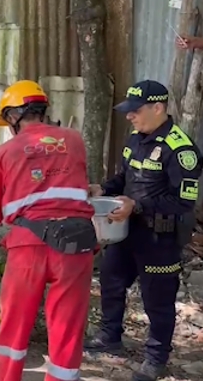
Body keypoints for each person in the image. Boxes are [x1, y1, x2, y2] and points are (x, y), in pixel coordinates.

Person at [0, 80, 97, 381]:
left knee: (14, 327)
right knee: (67, 332)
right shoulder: (75, 140)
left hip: (28, 247)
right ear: (42, 109)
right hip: (76, 246)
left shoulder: (3, 154)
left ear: (13, 116)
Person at [85, 80, 202, 381]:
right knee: (111, 281)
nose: (129, 117)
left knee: (157, 299)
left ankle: (155, 357)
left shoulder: (181, 149)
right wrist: (102, 188)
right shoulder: (137, 139)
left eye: (135, 111)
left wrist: (136, 204)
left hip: (159, 237)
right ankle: (110, 336)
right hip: (127, 230)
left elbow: (183, 201)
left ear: (158, 108)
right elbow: (125, 178)